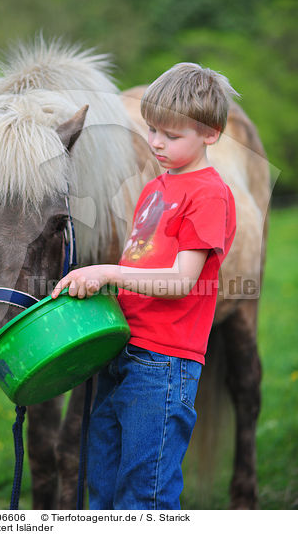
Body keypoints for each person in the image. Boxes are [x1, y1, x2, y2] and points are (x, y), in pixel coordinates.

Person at [51, 62, 237, 510]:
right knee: (104, 486)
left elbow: (180, 280)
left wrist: (108, 273)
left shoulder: (208, 194)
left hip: (163, 364)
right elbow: (143, 265)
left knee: (144, 494)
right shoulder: (155, 188)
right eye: (152, 130)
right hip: (122, 352)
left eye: (171, 136)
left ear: (210, 134)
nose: (156, 143)